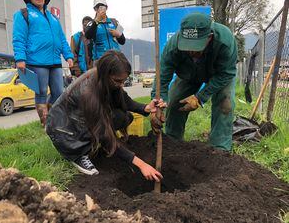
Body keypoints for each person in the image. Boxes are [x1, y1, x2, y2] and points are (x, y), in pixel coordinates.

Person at [45, 50, 166, 182]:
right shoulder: (88, 93)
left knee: (124, 117)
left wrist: (145, 108)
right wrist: (141, 164)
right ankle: (78, 155)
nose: (121, 85)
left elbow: (123, 99)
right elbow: (104, 133)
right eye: (118, 81)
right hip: (63, 129)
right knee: (102, 134)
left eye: (123, 81)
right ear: (106, 74)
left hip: (79, 118)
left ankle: (92, 144)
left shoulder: (104, 80)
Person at [152, 12, 237, 151]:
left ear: (209, 38)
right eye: (187, 46)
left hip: (219, 74)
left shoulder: (225, 41)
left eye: (196, 47)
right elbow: (162, 78)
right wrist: (157, 105)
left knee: (225, 103)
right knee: (174, 101)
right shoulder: (173, 46)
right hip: (188, 75)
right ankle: (173, 141)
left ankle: (220, 149)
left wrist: (200, 97)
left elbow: (226, 74)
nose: (191, 50)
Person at [12, 0, 73, 127]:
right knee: (41, 92)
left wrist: (68, 55)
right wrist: (20, 58)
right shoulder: (23, 14)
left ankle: (55, 120)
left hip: (55, 61)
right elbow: (19, 38)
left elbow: (61, 39)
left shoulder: (53, 18)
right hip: (37, 61)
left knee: (59, 92)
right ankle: (45, 124)